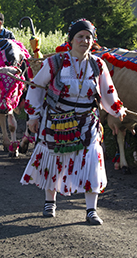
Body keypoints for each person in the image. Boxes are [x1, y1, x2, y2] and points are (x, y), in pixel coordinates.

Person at [20, 19, 126, 225]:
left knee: (92, 161)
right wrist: (33, 116)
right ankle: (50, 202)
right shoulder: (55, 63)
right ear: (71, 40)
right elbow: (36, 87)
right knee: (53, 159)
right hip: (57, 120)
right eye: (80, 36)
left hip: (88, 121)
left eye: (88, 37)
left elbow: (108, 91)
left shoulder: (98, 65)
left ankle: (91, 210)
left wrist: (117, 110)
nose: (84, 41)